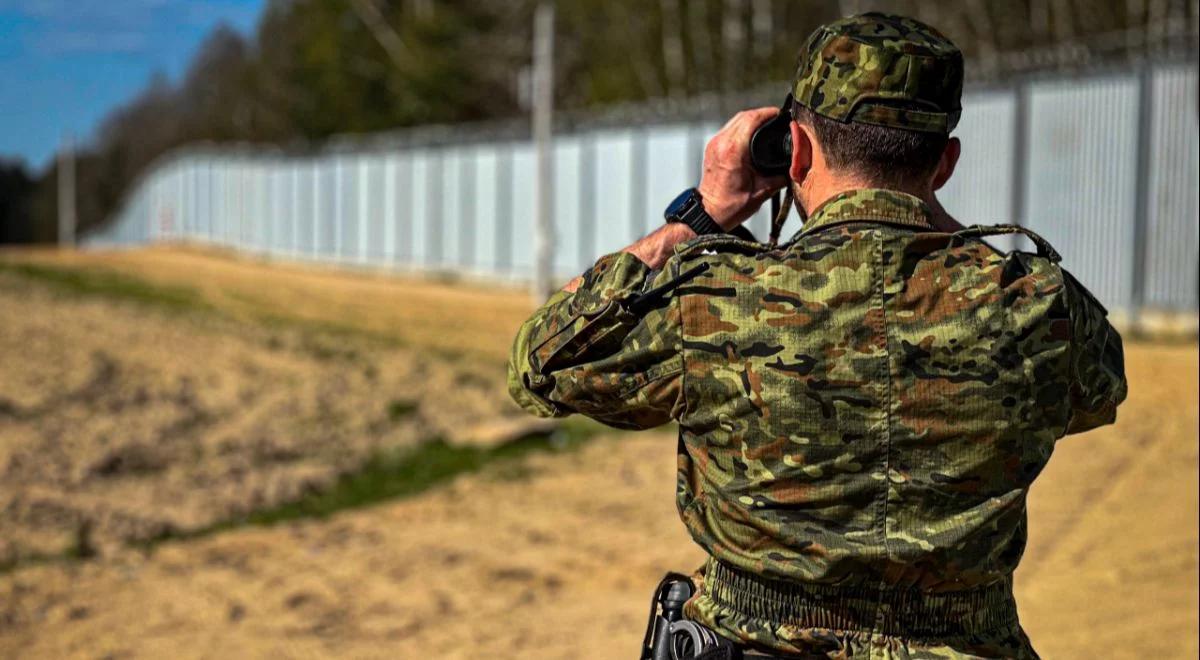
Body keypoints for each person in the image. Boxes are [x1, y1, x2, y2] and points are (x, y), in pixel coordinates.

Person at [507, 12, 1127, 659]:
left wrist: (702, 212)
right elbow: (1100, 391)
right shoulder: (1034, 303)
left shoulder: (717, 300)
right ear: (945, 162)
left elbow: (540, 364)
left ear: (794, 150)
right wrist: (933, 232)